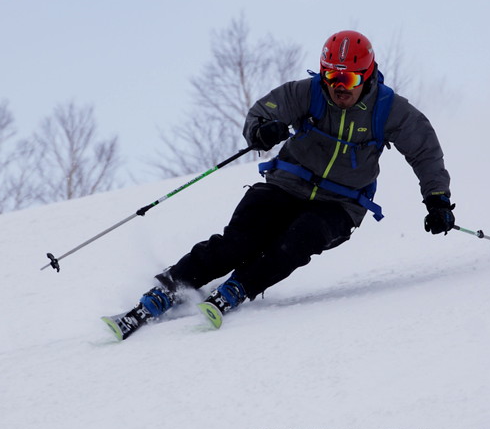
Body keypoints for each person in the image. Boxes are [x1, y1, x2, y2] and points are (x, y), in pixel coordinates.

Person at [102, 30, 455, 340]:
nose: (337, 89)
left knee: (297, 241)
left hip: (340, 203)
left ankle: (240, 288)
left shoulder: (389, 110)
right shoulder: (308, 93)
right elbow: (261, 113)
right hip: (288, 183)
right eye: (331, 77)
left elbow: (425, 151)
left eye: (346, 82)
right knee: (238, 242)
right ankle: (166, 291)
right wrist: (262, 131)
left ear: (367, 76)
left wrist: (437, 198)